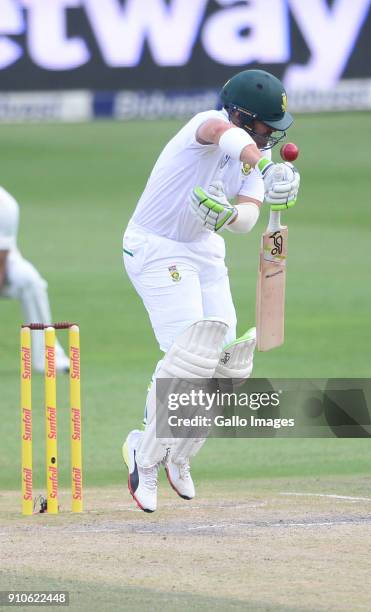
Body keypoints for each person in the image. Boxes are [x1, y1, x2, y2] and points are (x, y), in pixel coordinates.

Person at [122, 69, 301, 512]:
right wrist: (264, 163)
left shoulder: (253, 160)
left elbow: (246, 219)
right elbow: (222, 135)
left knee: (227, 363)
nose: (268, 138)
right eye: (262, 128)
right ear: (241, 115)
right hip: (157, 246)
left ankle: (177, 455)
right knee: (189, 356)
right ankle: (142, 457)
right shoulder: (207, 125)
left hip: (204, 250)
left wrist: (228, 216)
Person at [0, 186, 70, 372]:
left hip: (3, 262)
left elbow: (1, 263)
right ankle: (160, 399)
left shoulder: (5, 205)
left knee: (30, 281)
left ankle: (48, 357)